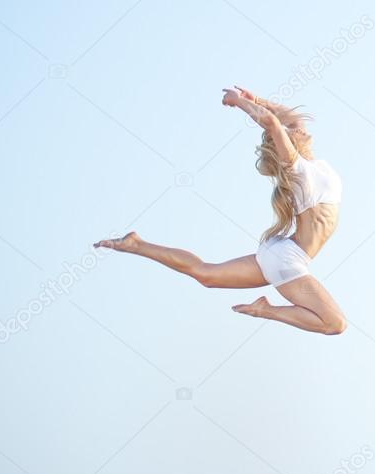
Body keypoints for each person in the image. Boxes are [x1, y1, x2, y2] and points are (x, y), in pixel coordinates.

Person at [95, 86, 347, 335]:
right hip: (287, 260)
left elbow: (287, 116)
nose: (298, 127)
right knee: (335, 323)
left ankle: (136, 244)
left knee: (207, 275)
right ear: (289, 144)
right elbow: (271, 122)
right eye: (291, 130)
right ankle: (266, 310)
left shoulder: (314, 165)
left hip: (280, 253)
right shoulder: (298, 170)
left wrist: (257, 98)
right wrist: (239, 102)